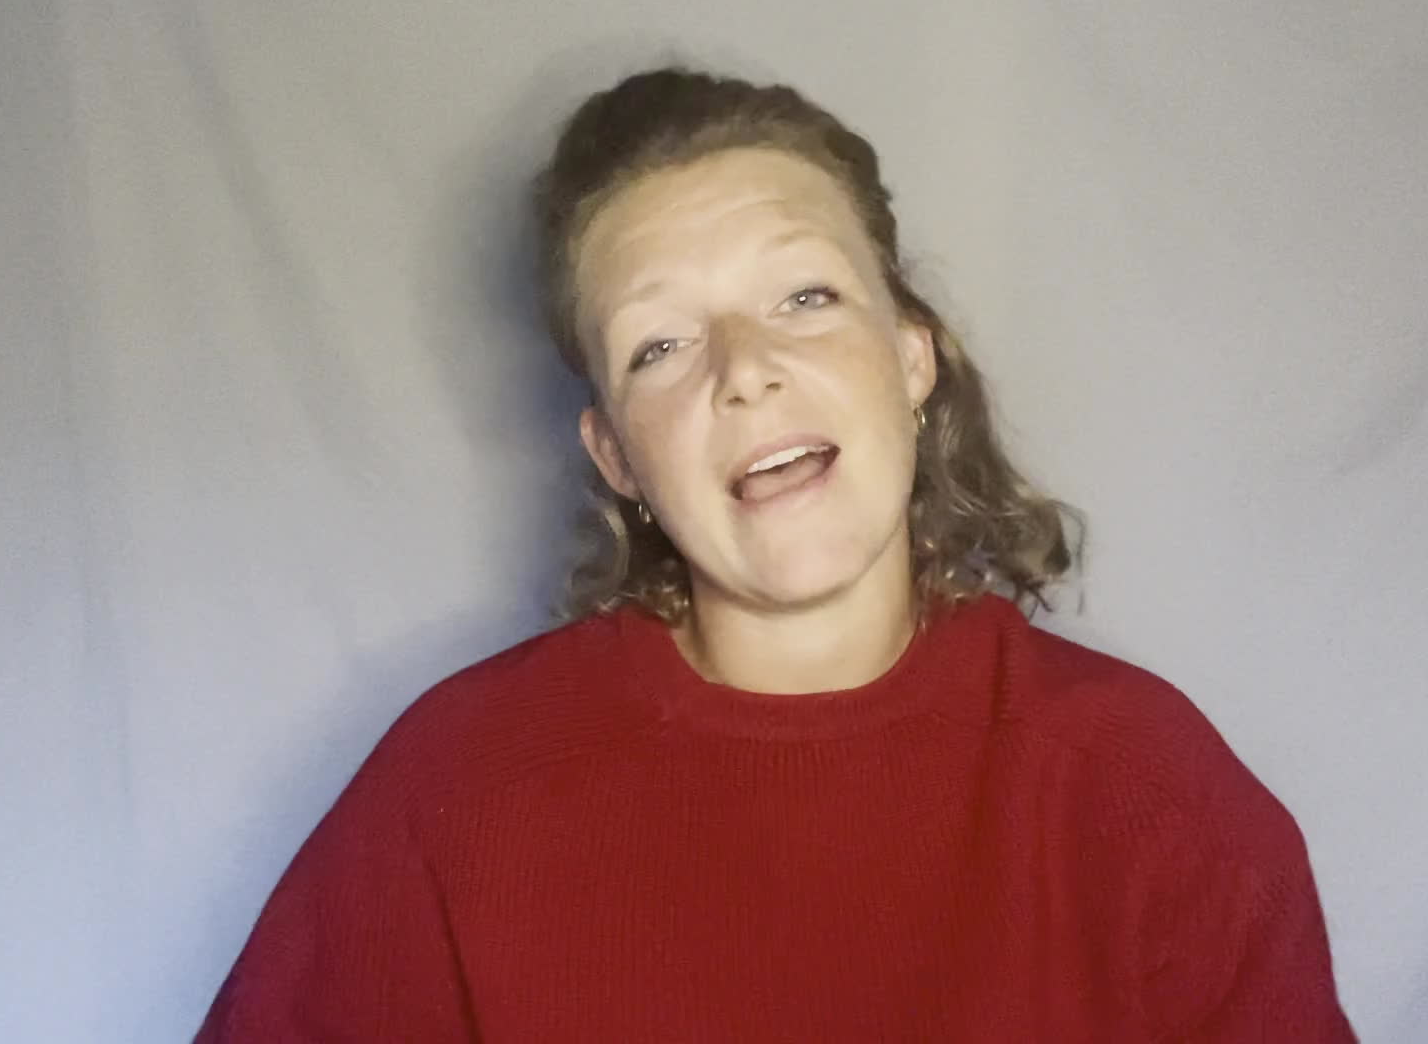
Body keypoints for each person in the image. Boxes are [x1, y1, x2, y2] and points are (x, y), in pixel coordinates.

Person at [197, 66, 1357, 1042]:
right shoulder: (457, 794)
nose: (743, 368)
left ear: (912, 358)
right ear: (617, 455)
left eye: (805, 295)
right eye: (659, 346)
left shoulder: (1145, 790)